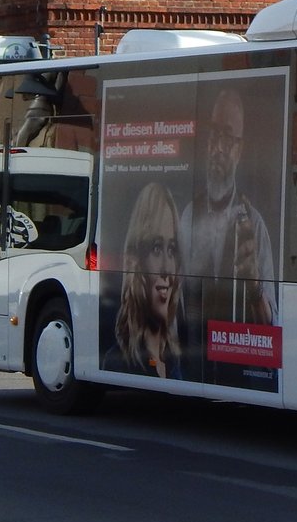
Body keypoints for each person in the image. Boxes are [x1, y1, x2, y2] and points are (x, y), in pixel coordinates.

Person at [179, 88, 278, 325]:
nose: (218, 148)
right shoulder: (188, 216)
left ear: (239, 150)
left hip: (236, 353)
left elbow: (272, 325)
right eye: (214, 134)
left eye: (227, 137)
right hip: (197, 354)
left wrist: (254, 288)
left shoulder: (254, 226)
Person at [105, 181, 184, 378]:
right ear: (137, 261)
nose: (167, 268)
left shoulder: (177, 362)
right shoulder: (117, 363)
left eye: (172, 249)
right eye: (156, 248)